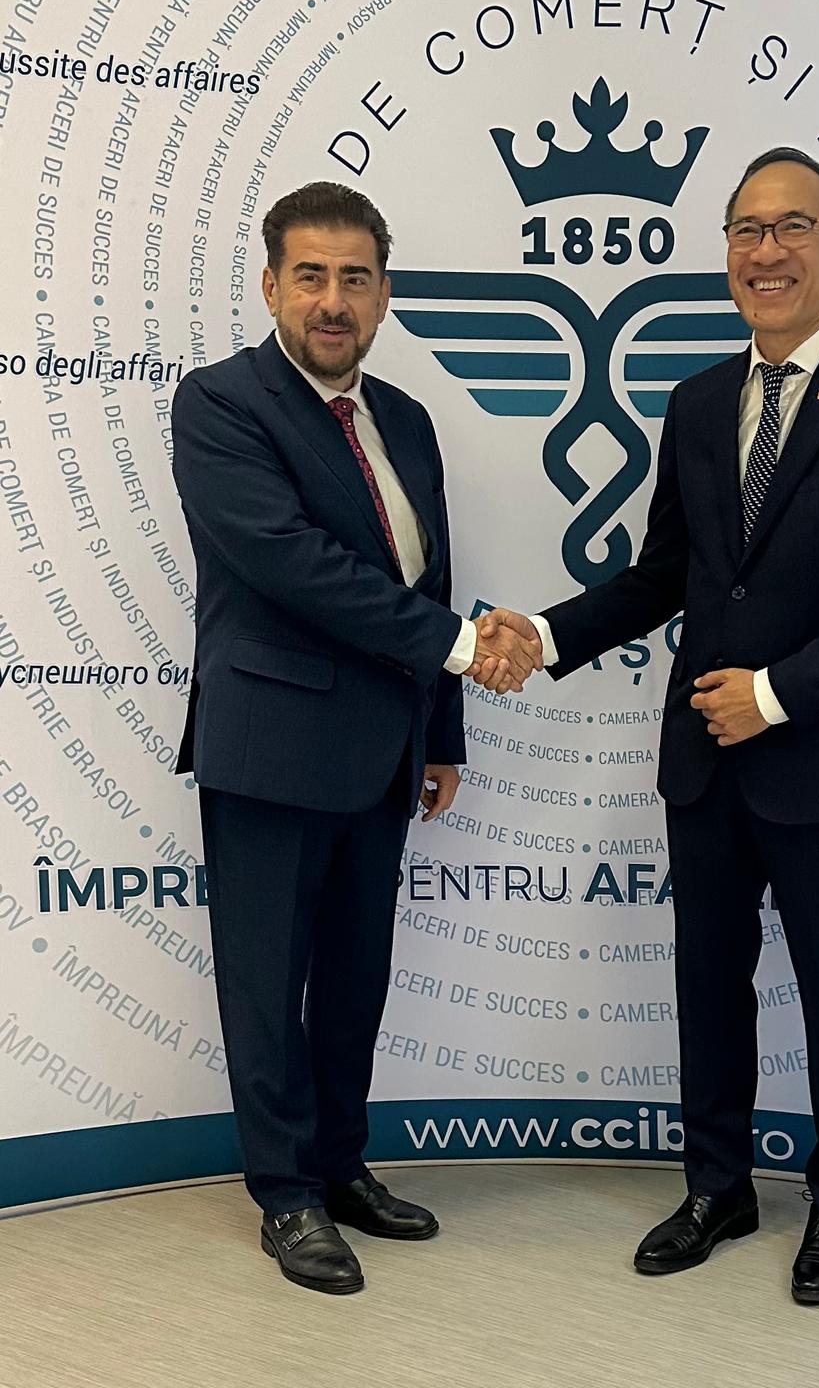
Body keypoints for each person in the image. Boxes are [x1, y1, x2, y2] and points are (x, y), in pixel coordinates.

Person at [482, 148, 819, 1303]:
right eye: (748, 230)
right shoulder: (697, 402)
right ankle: (717, 1186)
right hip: (702, 758)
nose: (767, 250)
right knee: (707, 981)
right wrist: (541, 633)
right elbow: (664, 575)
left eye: (793, 227)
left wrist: (777, 692)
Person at [171, 181, 539, 1294]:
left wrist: (444, 731)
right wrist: (466, 648)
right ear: (271, 286)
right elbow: (294, 565)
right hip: (271, 745)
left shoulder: (408, 420)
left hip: (384, 750)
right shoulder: (222, 403)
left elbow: (430, 576)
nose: (333, 300)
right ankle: (285, 1195)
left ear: (383, 294)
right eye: (312, 276)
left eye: (355, 278)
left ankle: (339, 1165)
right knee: (266, 984)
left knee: (353, 981)